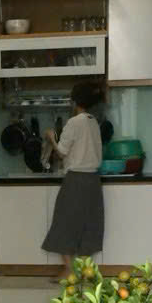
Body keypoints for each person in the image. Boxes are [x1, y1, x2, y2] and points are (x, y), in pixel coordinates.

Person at [41, 81, 104, 274]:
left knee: (64, 223)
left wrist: (51, 137)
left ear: (74, 101)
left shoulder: (74, 122)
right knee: (90, 225)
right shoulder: (93, 122)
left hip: (75, 180)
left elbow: (61, 152)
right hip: (93, 181)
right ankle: (84, 271)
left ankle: (69, 270)